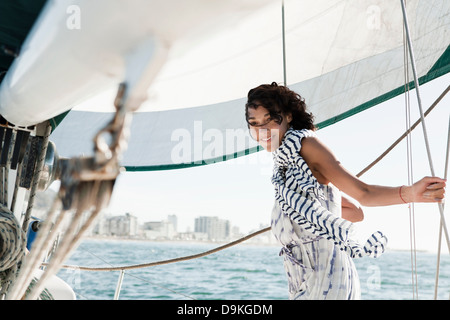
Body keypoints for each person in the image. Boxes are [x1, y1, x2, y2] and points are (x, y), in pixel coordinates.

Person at [245, 82, 446, 300]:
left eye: (269, 119)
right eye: (254, 123)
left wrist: (409, 193)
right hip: (301, 283)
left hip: (329, 280)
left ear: (288, 116)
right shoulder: (284, 168)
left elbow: (363, 193)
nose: (262, 131)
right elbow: (353, 212)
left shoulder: (306, 146)